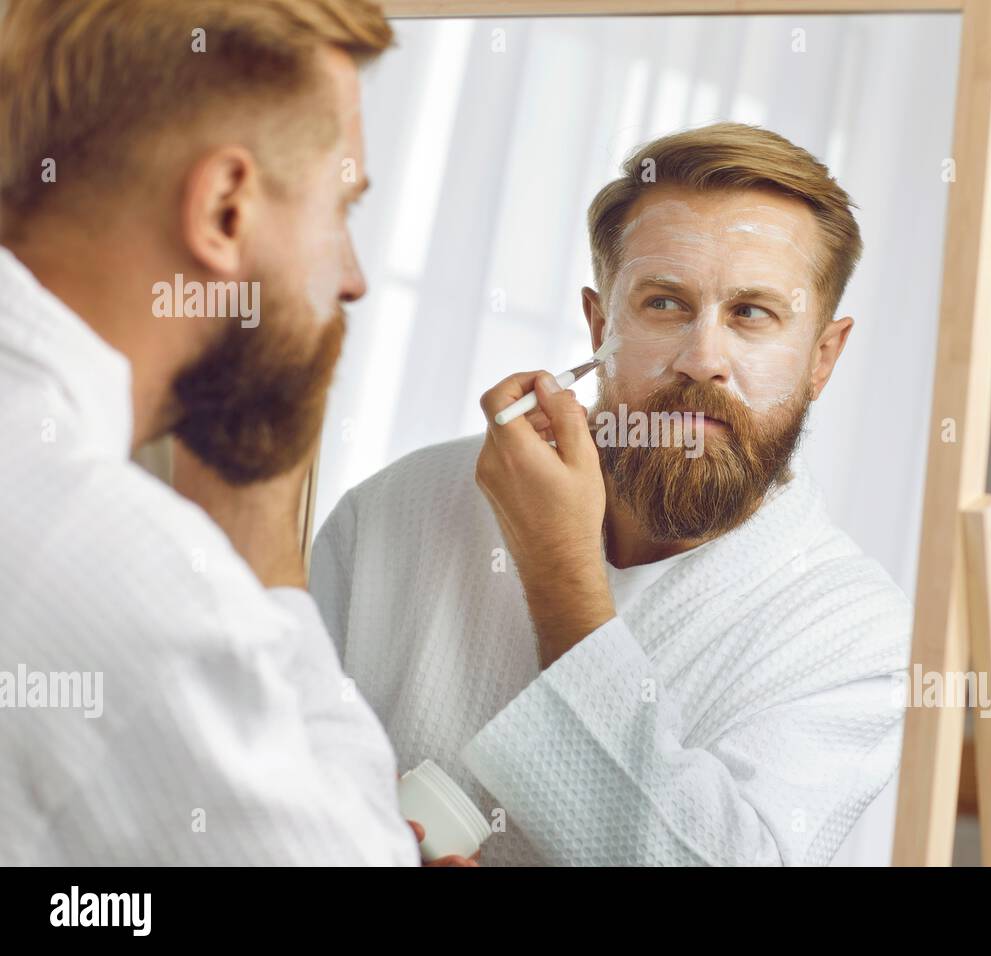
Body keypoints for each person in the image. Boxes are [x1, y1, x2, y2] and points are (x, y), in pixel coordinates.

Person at [310, 123, 914, 866]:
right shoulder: (392, 513)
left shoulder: (854, 632)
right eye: (664, 304)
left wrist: (560, 569)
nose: (702, 360)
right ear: (600, 325)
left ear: (823, 358)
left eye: (752, 313)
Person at [0, 0, 443, 865]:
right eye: (340, 208)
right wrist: (271, 567)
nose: (351, 280)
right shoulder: (115, 560)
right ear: (225, 211)